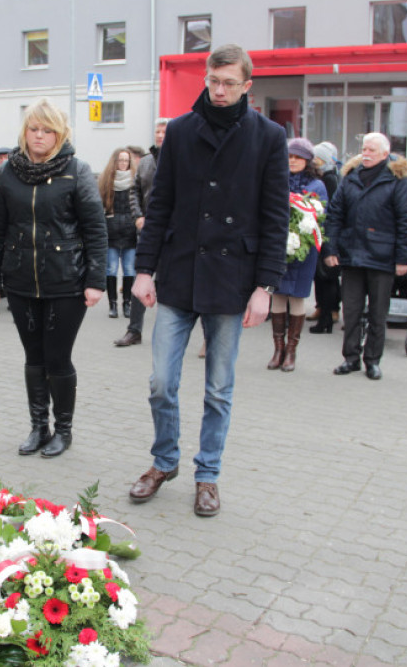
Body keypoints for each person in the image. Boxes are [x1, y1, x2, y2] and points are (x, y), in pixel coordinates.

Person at [127, 44, 289, 517]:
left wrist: (265, 287)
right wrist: (142, 269)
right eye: (213, 82)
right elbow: (159, 205)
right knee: (161, 381)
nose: (219, 91)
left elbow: (275, 218)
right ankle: (164, 462)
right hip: (179, 273)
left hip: (232, 279)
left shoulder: (269, 137)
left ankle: (208, 474)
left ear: (247, 86)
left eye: (229, 84)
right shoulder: (178, 131)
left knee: (219, 388)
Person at [0, 97, 107, 459]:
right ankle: (39, 426)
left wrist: (95, 280)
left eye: (46, 130)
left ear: (59, 133)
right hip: (20, 279)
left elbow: (95, 229)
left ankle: (63, 430)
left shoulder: (77, 171)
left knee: (58, 358)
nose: (39, 136)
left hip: (66, 281)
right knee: (33, 357)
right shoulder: (7, 173)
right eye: (33, 129)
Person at [323, 133, 407, 381]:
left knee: (377, 313)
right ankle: (350, 358)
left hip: (382, 257)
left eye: (372, 150)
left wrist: (403, 259)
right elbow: (334, 216)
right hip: (351, 255)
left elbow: (406, 222)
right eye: (364, 148)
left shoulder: (397, 180)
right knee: (351, 311)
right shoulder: (350, 178)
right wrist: (330, 250)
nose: (366, 153)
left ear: (385, 154)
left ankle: (372, 360)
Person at [267, 137, 328, 372]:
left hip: (303, 248)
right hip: (278, 247)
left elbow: (320, 216)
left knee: (297, 297)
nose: (293, 161)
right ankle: (278, 349)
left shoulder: (316, 185)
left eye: (298, 157)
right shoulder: (277, 180)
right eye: (290, 157)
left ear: (307, 160)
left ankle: (292, 351)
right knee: (278, 295)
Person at [114, 117, 168, 347]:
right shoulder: (146, 162)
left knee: (172, 283)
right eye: (157, 131)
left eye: (164, 131)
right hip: (147, 231)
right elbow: (134, 190)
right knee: (140, 278)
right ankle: (134, 330)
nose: (159, 135)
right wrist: (138, 216)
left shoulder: (184, 158)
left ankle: (173, 334)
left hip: (173, 233)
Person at [97, 148, 142, 319]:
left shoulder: (135, 181)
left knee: (130, 268)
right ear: (114, 162)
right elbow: (98, 207)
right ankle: (113, 305)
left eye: (126, 160)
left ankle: (127, 304)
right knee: (112, 268)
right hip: (112, 231)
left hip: (131, 231)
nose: (123, 163)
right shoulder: (106, 181)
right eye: (120, 160)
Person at [309, 141, 342, 333]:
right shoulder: (332, 177)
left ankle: (326, 317)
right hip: (328, 233)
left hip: (326, 234)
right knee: (326, 277)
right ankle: (325, 312)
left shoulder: (329, 180)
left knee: (325, 277)